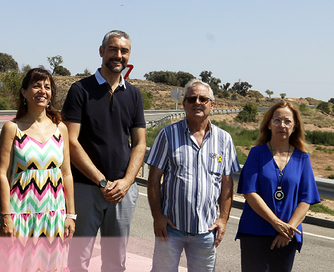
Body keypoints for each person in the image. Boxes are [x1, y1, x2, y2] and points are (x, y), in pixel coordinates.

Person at [62, 30, 146, 272]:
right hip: (86, 189)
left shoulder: (134, 94)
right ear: (101, 52)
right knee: (78, 261)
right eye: (113, 49)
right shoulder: (81, 90)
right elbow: (71, 141)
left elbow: (140, 143)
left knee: (115, 263)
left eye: (124, 51)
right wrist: (101, 181)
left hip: (122, 192)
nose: (118, 55)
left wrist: (127, 182)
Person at [146, 79, 240, 272]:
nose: (197, 102)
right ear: (184, 104)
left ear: (212, 104)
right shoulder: (167, 134)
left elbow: (227, 183)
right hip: (170, 228)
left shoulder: (224, 139)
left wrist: (222, 219)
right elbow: (154, 178)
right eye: (192, 99)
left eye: (203, 99)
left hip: (206, 232)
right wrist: (157, 216)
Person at [0, 68, 76, 271]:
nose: (42, 91)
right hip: (17, 216)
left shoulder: (60, 129)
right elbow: (2, 174)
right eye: (36, 85)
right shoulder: (13, 128)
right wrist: (6, 217)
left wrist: (71, 215)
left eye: (47, 87)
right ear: (24, 92)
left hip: (53, 218)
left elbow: (66, 174)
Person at [236, 101, 320, 271]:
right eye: (277, 120)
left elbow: (306, 199)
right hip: (255, 234)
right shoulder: (256, 153)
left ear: (295, 126)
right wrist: (276, 223)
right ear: (269, 124)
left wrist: (286, 230)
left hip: (287, 238)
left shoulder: (303, 158)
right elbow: (250, 193)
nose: (282, 125)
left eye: (287, 121)